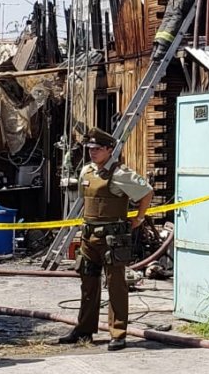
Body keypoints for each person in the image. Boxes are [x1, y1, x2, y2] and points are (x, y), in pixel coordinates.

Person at [58, 128, 153, 351]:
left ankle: (118, 333)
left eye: (97, 149)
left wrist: (139, 218)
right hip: (89, 235)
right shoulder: (86, 172)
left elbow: (146, 192)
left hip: (112, 238)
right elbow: (84, 200)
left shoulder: (119, 173)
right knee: (88, 284)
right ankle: (84, 329)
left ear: (109, 150)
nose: (92, 153)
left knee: (116, 285)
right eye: (90, 149)